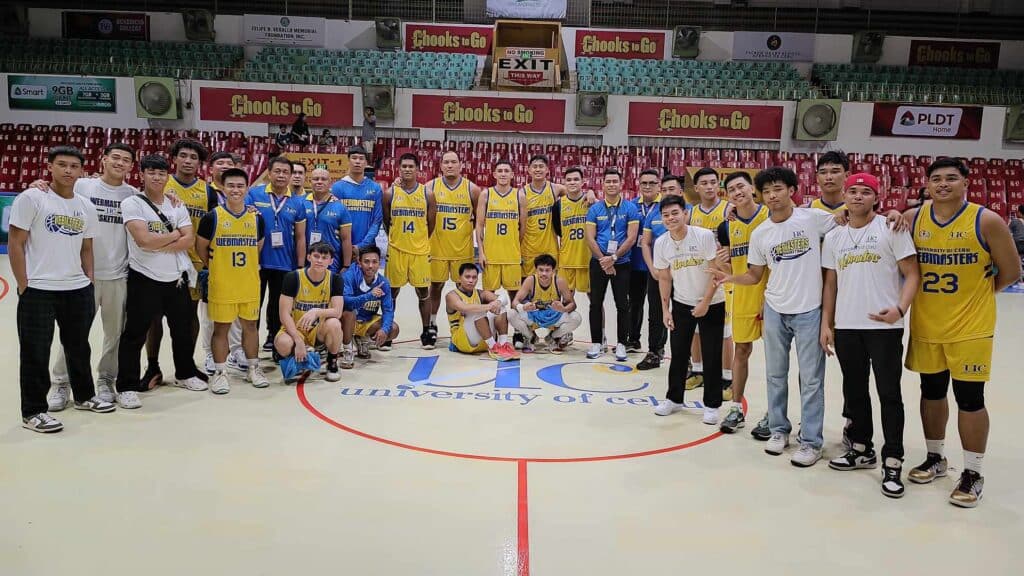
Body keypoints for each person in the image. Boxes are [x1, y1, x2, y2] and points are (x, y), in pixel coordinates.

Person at [902, 158, 1020, 508]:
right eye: (935, 179)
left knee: (970, 398)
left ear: (965, 182)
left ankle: (973, 471)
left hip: (971, 327)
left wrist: (976, 298)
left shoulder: (987, 220)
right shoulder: (912, 218)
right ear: (926, 185)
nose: (942, 184)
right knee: (932, 392)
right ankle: (936, 457)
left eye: (951, 178)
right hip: (926, 324)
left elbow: (1011, 272)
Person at [715, 167, 838, 468]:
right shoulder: (761, 233)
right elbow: (755, 274)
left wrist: (900, 216)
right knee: (775, 374)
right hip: (775, 309)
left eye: (778, 189)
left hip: (809, 310)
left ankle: (811, 442)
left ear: (792, 190)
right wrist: (729, 278)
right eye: (767, 191)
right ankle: (779, 430)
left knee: (810, 379)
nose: (772, 195)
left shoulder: (811, 219)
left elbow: (850, 214)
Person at [820, 173, 920, 498]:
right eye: (853, 191)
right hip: (847, 325)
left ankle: (893, 460)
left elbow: (912, 274)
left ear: (877, 198)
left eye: (866, 192)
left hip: (883, 325)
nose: (858, 197)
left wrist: (900, 309)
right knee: (855, 390)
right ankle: (862, 447)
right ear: (845, 196)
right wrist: (827, 324)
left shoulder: (891, 227)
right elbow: (831, 284)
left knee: (889, 393)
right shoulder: (835, 237)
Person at [12, 146, 112, 432]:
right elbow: (17, 243)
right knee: (36, 351)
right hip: (39, 289)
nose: (68, 171)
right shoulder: (32, 197)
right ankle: (33, 412)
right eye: (62, 165)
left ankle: (84, 396)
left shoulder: (85, 205)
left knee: (79, 346)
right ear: (49, 166)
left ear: (82, 171)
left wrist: (88, 279)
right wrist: (23, 284)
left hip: (77, 288)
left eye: (74, 166)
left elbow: (87, 246)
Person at [43, 143, 136, 410]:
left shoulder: (133, 195)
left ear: (131, 166)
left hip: (118, 275)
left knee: (114, 334)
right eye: (115, 158)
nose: (120, 163)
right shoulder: (83, 186)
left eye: (126, 160)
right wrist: (39, 183)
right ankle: (61, 383)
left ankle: (106, 379)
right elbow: (52, 193)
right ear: (103, 160)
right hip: (83, 276)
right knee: (74, 334)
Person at [116, 154, 207, 409]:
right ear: (142, 175)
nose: (157, 177)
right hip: (143, 278)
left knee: (181, 330)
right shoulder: (133, 203)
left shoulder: (175, 204)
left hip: (175, 279)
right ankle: (126, 386)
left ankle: (185, 373)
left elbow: (189, 239)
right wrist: (174, 236)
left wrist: (165, 241)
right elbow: (143, 240)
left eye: (161, 173)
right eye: (151, 173)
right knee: (134, 333)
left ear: (167, 176)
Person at [652, 195, 726, 424]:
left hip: (711, 303)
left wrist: (705, 302)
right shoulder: (661, 243)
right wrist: (666, 310)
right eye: (666, 215)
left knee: (712, 355)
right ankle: (674, 399)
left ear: (685, 213)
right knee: (679, 354)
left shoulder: (702, 236)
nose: (671, 218)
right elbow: (664, 277)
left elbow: (715, 271)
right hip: (681, 303)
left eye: (675, 213)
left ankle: (712, 405)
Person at [196, 168, 270, 394]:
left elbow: (257, 249)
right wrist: (219, 268)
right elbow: (201, 249)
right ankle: (220, 372)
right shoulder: (213, 217)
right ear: (222, 187)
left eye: (240, 186)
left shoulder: (256, 218)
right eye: (231, 186)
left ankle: (253, 368)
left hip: (249, 283)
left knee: (250, 327)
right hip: (222, 284)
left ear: (247, 189)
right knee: (222, 329)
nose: (236, 190)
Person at [145, 138, 210, 389]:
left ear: (199, 163)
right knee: (154, 316)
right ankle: (152, 365)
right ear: (174, 159)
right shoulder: (160, 183)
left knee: (188, 316)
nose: (188, 161)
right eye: (183, 155)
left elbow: (211, 227)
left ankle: (187, 364)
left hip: (191, 263)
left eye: (194, 157)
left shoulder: (207, 190)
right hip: (158, 259)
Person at [715, 172, 772, 438]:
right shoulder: (727, 226)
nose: (737, 192)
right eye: (731, 189)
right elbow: (730, 265)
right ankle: (736, 408)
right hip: (743, 294)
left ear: (753, 189)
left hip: (773, 296)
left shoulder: (772, 216)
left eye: (741, 186)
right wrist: (722, 261)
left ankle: (775, 413)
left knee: (776, 359)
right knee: (741, 352)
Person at [247, 156, 308, 352]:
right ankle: (249, 347)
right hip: (256, 262)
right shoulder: (254, 195)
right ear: (269, 173)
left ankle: (274, 339)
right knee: (252, 306)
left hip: (284, 263)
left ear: (290, 176)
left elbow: (300, 237)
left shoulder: (298, 203)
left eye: (285, 172)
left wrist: (299, 266)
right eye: (277, 171)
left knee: (278, 306)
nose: (281, 175)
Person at [427, 150, 482, 348]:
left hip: (462, 250)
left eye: (454, 162)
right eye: (446, 162)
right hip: (437, 248)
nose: (450, 165)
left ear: (461, 165)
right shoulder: (430, 187)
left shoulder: (472, 190)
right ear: (441, 166)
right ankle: (432, 324)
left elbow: (480, 220)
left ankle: (461, 325)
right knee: (435, 287)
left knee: (464, 290)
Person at [585, 167, 640, 361]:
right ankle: (596, 342)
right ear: (603, 184)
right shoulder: (595, 209)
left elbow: (632, 237)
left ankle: (621, 345)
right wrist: (603, 260)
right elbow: (590, 238)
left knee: (622, 305)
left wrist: (614, 258)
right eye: (608, 181)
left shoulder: (630, 208)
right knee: (595, 303)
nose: (611, 185)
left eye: (614, 181)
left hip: (622, 263)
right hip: (598, 262)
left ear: (621, 184)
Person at [687, 167, 733, 393]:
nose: (709, 186)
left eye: (713, 182)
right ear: (696, 188)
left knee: (725, 331)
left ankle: (727, 377)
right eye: (704, 183)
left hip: (724, 275)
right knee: (695, 326)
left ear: (719, 185)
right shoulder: (691, 213)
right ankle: (698, 370)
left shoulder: (729, 210)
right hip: (698, 275)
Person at [201, 150, 246, 375]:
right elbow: (202, 239)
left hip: (238, 265)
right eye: (220, 163)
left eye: (230, 163)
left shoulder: (240, 195)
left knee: (238, 312)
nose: (225, 166)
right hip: (214, 263)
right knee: (212, 313)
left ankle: (237, 350)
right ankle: (210, 354)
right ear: (211, 168)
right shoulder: (206, 192)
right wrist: (208, 262)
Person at [383, 153, 436, 348]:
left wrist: (419, 240)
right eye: (403, 166)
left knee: (423, 292)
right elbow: (387, 222)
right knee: (392, 292)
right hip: (396, 249)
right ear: (398, 169)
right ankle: (388, 331)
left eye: (410, 166)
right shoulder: (389, 193)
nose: (407, 169)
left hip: (420, 251)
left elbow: (431, 224)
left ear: (417, 169)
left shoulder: (427, 194)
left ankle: (426, 331)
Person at [274, 242, 345, 383]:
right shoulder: (293, 277)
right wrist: (298, 339)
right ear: (308, 257)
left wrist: (316, 312)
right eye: (316, 256)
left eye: (324, 257)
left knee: (335, 324)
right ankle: (298, 357)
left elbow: (337, 312)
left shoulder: (335, 279)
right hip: (295, 329)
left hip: (318, 331)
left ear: (331, 261)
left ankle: (332, 361)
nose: (319, 260)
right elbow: (284, 314)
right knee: (282, 343)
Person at [636, 173, 685, 370]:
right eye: (663, 190)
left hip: (683, 274)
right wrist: (652, 268)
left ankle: (685, 358)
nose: (666, 193)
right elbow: (646, 243)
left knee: (682, 315)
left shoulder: (688, 212)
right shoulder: (654, 214)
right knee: (656, 313)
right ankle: (655, 352)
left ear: (681, 191)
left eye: (671, 189)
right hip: (658, 272)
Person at [508, 254, 583, 353]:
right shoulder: (530, 280)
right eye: (541, 270)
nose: (544, 273)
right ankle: (530, 337)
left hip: (553, 316)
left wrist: (564, 309)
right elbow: (514, 302)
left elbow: (572, 304)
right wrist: (523, 307)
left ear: (553, 271)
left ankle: (553, 337)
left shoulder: (559, 282)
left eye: (547, 270)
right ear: (536, 270)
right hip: (534, 316)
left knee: (576, 317)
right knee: (511, 313)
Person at [446, 263, 520, 361]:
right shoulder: (451, 295)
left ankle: (502, 345)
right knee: (476, 310)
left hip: (483, 338)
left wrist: (497, 303)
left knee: (500, 306)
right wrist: (489, 306)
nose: (471, 280)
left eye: (474, 277)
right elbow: (465, 308)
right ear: (459, 278)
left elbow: (504, 298)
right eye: (467, 277)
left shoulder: (480, 293)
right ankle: (494, 348)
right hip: (463, 340)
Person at [340, 246, 400, 367]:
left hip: (365, 321)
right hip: (345, 321)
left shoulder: (383, 283)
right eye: (366, 261)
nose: (370, 266)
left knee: (393, 329)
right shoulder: (349, 276)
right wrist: (368, 296)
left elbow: (388, 310)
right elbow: (345, 302)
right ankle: (347, 349)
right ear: (359, 262)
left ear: (379, 263)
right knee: (349, 313)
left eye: (374, 262)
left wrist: (384, 329)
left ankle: (363, 338)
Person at [476, 160, 527, 299]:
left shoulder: (519, 196)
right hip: (491, 256)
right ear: (494, 174)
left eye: (506, 171)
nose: (503, 174)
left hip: (512, 256)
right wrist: (481, 252)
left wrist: (515, 245)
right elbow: (479, 225)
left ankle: (513, 321)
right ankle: (490, 321)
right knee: (488, 296)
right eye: (500, 171)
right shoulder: (486, 194)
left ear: (512, 175)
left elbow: (523, 227)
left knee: (515, 296)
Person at [626, 169, 662, 355]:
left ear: (659, 185)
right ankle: (633, 340)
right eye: (644, 183)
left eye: (652, 183)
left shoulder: (666, 206)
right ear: (639, 185)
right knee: (635, 304)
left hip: (659, 265)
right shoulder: (631, 206)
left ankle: (658, 347)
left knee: (658, 307)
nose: (647, 186)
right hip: (636, 263)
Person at [331, 145, 383, 271]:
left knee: (365, 287)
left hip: (366, 248)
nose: (357, 161)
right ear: (348, 161)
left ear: (366, 162)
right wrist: (347, 246)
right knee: (341, 287)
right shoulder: (337, 187)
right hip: (340, 247)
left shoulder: (375, 188)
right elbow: (333, 219)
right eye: (354, 158)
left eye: (361, 158)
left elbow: (377, 221)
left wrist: (361, 246)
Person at [521, 155, 564, 278]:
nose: (538, 169)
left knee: (551, 288)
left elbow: (576, 195)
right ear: (529, 170)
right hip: (529, 248)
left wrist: (590, 192)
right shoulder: (522, 193)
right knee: (528, 287)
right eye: (534, 167)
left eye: (541, 166)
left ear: (547, 170)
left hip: (550, 247)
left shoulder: (555, 189)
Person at [304, 167, 353, 274]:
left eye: (323, 179)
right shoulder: (302, 203)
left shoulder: (340, 207)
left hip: (331, 263)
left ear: (330, 182)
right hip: (306, 262)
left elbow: (346, 239)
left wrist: (346, 265)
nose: (319, 182)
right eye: (316, 179)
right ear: (310, 181)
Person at [553, 167, 591, 301]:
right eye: (568, 180)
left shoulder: (591, 203)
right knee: (565, 301)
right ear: (564, 183)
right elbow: (559, 232)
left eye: (576, 179)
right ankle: (565, 323)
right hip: (566, 260)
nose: (572, 182)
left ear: (583, 182)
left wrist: (591, 193)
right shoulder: (558, 206)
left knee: (595, 302)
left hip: (587, 259)